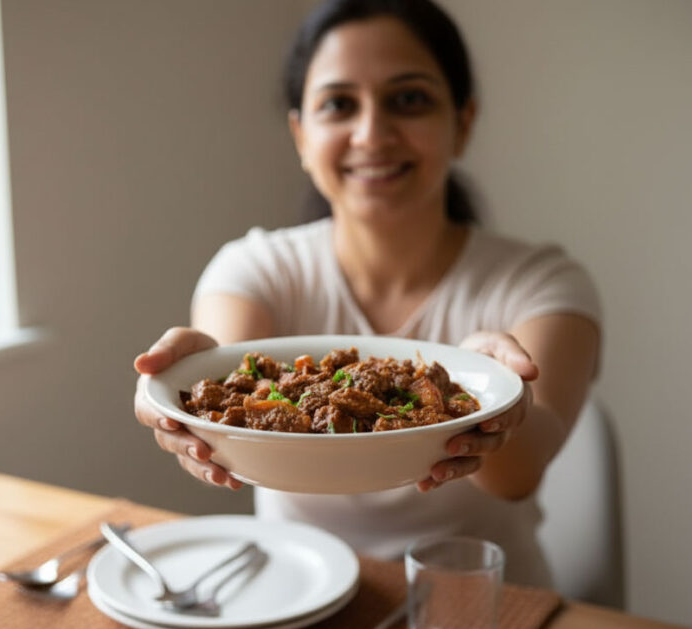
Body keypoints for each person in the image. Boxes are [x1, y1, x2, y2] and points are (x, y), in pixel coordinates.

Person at [133, 0, 601, 586]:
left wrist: (490, 393)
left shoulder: (543, 283)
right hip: (297, 598)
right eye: (339, 104)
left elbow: (519, 474)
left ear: (463, 122)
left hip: (475, 610)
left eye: (409, 99)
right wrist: (182, 389)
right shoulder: (255, 267)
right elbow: (232, 380)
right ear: (301, 136)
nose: (372, 134)